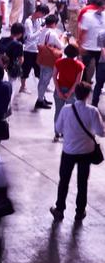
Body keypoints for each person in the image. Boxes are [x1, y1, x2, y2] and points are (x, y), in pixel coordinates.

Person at [51, 82, 104, 223]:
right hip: (86, 152)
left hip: (68, 151)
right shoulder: (93, 111)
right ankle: (80, 212)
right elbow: (101, 132)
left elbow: (59, 128)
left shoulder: (66, 110)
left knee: (64, 181)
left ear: (75, 93)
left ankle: (59, 210)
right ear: (88, 95)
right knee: (82, 183)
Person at [52, 45, 84, 141]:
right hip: (72, 92)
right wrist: (69, 93)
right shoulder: (80, 65)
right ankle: (67, 134)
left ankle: (57, 133)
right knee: (71, 114)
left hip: (60, 89)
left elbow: (54, 76)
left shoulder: (59, 62)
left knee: (58, 112)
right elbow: (77, 82)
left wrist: (59, 91)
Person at [35, 13, 63, 110]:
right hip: (49, 60)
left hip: (42, 57)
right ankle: (39, 100)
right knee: (45, 81)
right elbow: (61, 46)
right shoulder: (53, 33)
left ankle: (41, 98)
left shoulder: (43, 30)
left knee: (42, 79)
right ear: (54, 23)